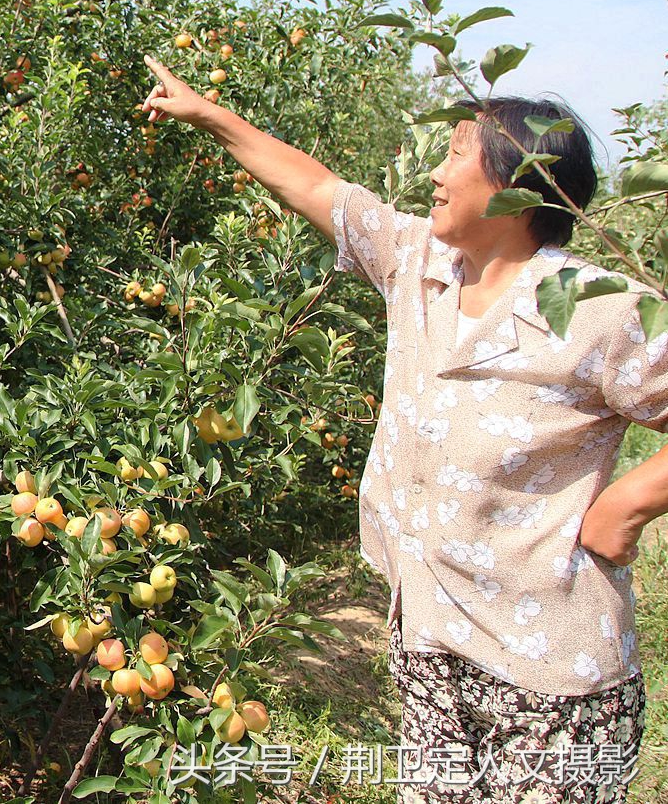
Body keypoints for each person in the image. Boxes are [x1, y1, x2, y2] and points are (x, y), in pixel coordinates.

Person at [140, 55, 668, 803]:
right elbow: (316, 187)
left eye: (455, 154)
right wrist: (209, 115)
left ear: (518, 186)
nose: (435, 174)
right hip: (429, 641)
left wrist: (626, 504)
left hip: (550, 669)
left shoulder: (597, 306)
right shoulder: (419, 263)